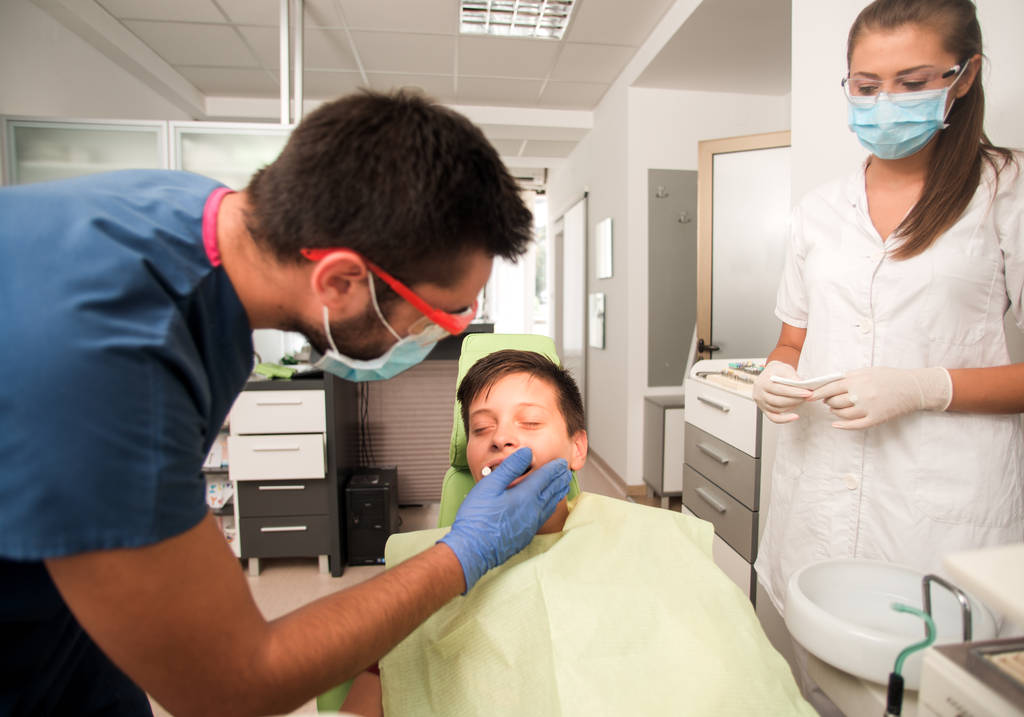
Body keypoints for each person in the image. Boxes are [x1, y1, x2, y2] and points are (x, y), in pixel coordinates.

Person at [0, 90, 573, 716]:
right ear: (338, 280)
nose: (456, 334)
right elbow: (229, 686)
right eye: (443, 313)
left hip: (70, 616)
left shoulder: (189, 216)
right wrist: (465, 552)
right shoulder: (106, 363)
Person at [341, 350, 814, 716]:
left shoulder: (654, 533)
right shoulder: (430, 561)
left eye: (529, 422)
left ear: (576, 447)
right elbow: (378, 674)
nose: (502, 437)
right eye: (482, 429)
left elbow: (727, 664)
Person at [752, 0, 1024, 632]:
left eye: (912, 82)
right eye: (867, 86)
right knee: (812, 674)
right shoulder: (818, 211)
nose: (885, 103)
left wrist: (928, 387)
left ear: (965, 76)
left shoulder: (1004, 192)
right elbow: (793, 338)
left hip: (940, 511)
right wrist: (774, 373)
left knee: (930, 676)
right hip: (817, 491)